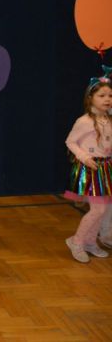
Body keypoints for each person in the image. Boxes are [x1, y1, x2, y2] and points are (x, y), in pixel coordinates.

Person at [64, 70, 112, 263]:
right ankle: (76, 241)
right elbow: (70, 142)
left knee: (103, 210)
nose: (107, 99)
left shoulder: (108, 120)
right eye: (102, 95)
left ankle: (90, 242)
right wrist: (84, 157)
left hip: (105, 169)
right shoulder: (84, 122)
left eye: (110, 95)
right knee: (97, 210)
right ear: (90, 98)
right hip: (91, 170)